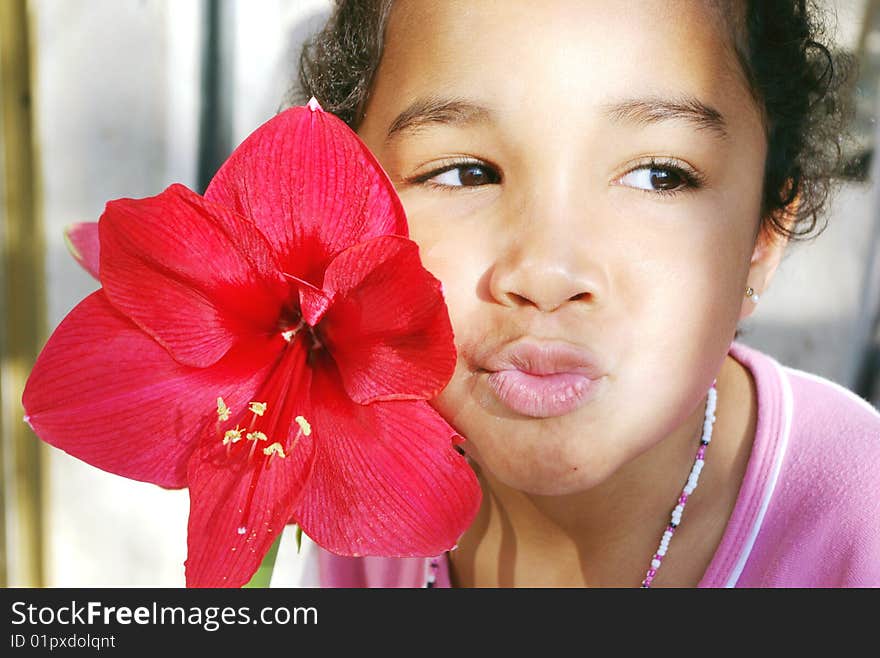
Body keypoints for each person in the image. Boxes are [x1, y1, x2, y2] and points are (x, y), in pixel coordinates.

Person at [290, 0, 880, 587]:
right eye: (466, 172)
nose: (548, 275)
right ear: (343, 201)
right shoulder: (345, 484)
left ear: (764, 234)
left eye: (659, 175)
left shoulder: (858, 526)